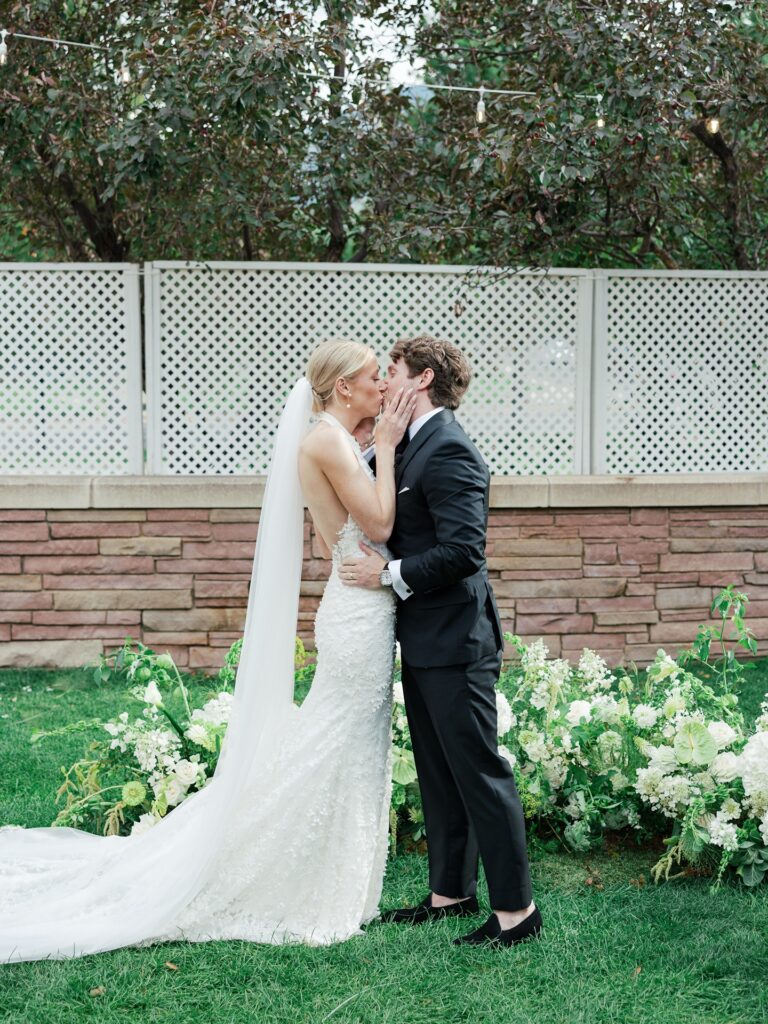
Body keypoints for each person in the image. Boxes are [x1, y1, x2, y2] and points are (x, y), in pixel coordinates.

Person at [0, 340, 415, 962]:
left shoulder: (334, 438)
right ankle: (254, 860)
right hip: (356, 610)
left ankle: (322, 873)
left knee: (348, 739)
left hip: (357, 598)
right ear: (341, 388)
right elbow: (378, 527)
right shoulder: (329, 440)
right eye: (372, 377)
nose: (383, 385)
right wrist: (384, 444)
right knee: (336, 737)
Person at [341, 335, 542, 948]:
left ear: (421, 379)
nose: (384, 380)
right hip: (424, 637)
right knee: (439, 769)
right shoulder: (410, 442)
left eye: (392, 370)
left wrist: (387, 575)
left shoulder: (450, 448)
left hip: (457, 638)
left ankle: (517, 913)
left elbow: (463, 551)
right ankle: (450, 893)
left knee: (480, 771)